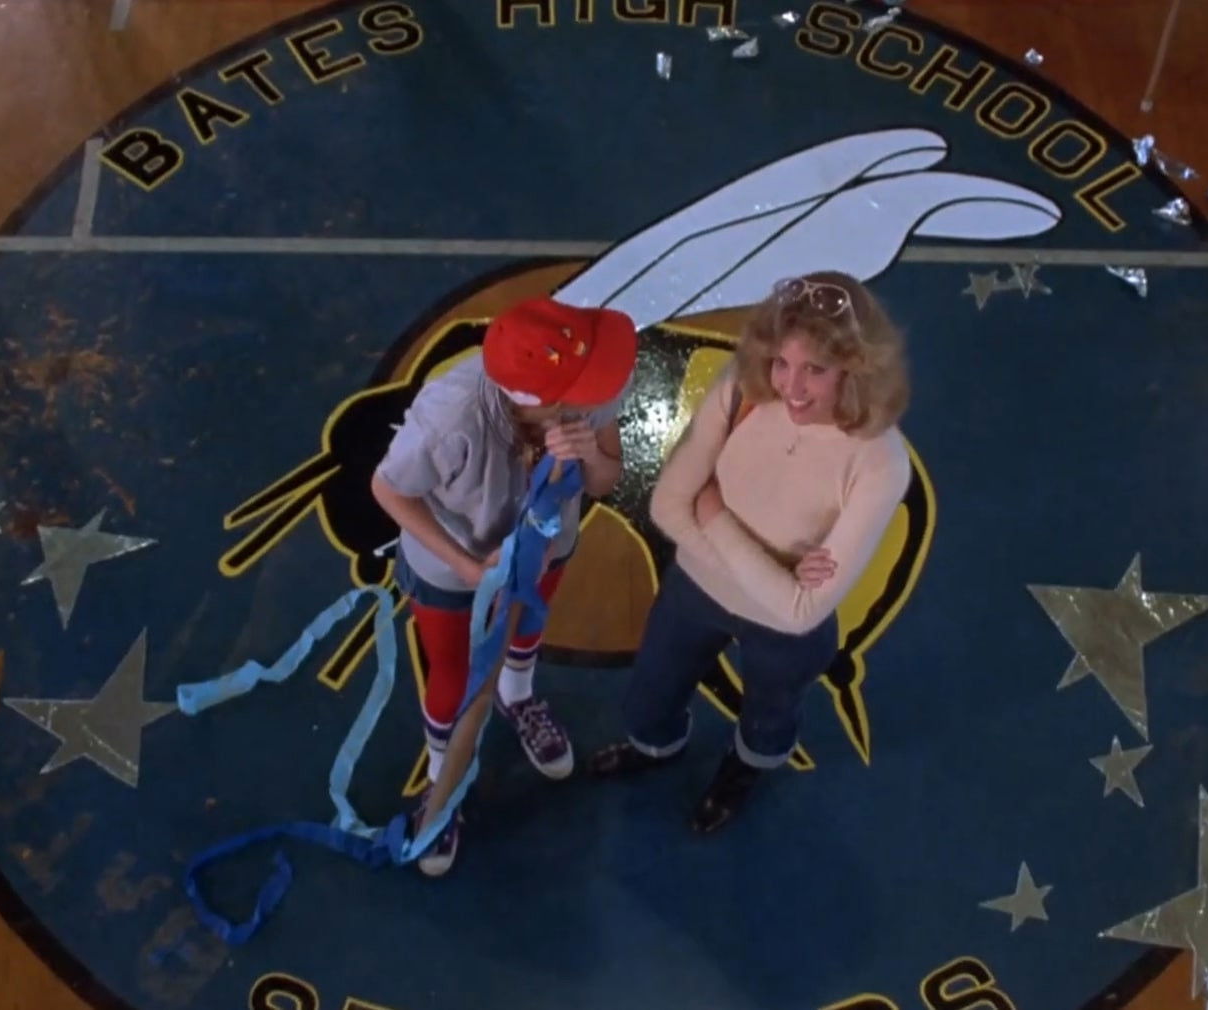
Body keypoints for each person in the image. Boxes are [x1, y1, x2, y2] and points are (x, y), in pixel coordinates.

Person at [589, 271, 911, 833]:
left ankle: (743, 770)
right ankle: (655, 747)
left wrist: (712, 514)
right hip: (696, 591)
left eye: (816, 369)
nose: (792, 388)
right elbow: (666, 506)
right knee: (651, 692)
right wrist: (778, 574)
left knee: (769, 714)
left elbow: (801, 614)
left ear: (856, 368)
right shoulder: (743, 387)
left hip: (782, 633)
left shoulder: (881, 462)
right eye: (782, 362)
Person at [370, 295, 637, 875]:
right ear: (537, 401)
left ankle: (518, 697)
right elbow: (389, 489)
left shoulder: (587, 386)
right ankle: (442, 783)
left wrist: (590, 454)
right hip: (451, 565)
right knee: (452, 673)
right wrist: (469, 568)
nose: (601, 390)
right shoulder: (451, 416)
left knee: (527, 628)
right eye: (584, 389)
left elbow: (602, 482)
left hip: (545, 546)